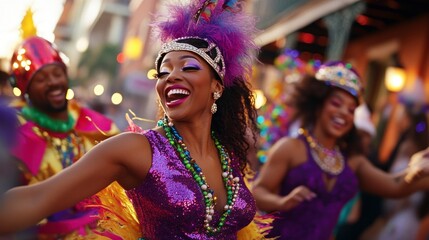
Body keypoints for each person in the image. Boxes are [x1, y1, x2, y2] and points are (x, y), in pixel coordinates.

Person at [0, 0, 268, 239]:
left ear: (217, 87)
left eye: (188, 67)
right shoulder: (138, 149)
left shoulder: (229, 155)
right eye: (163, 72)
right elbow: (39, 197)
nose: (171, 76)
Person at [252, 61, 429, 240]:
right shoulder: (290, 147)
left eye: (351, 110)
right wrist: (281, 202)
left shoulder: (353, 161)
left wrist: (413, 170)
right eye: (336, 104)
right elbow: (258, 192)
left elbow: (394, 186)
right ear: (318, 104)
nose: (344, 112)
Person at [6, 36, 139, 239]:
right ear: (25, 89)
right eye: (41, 79)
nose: (53, 83)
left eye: (58, 73)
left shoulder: (98, 126)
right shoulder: (14, 132)